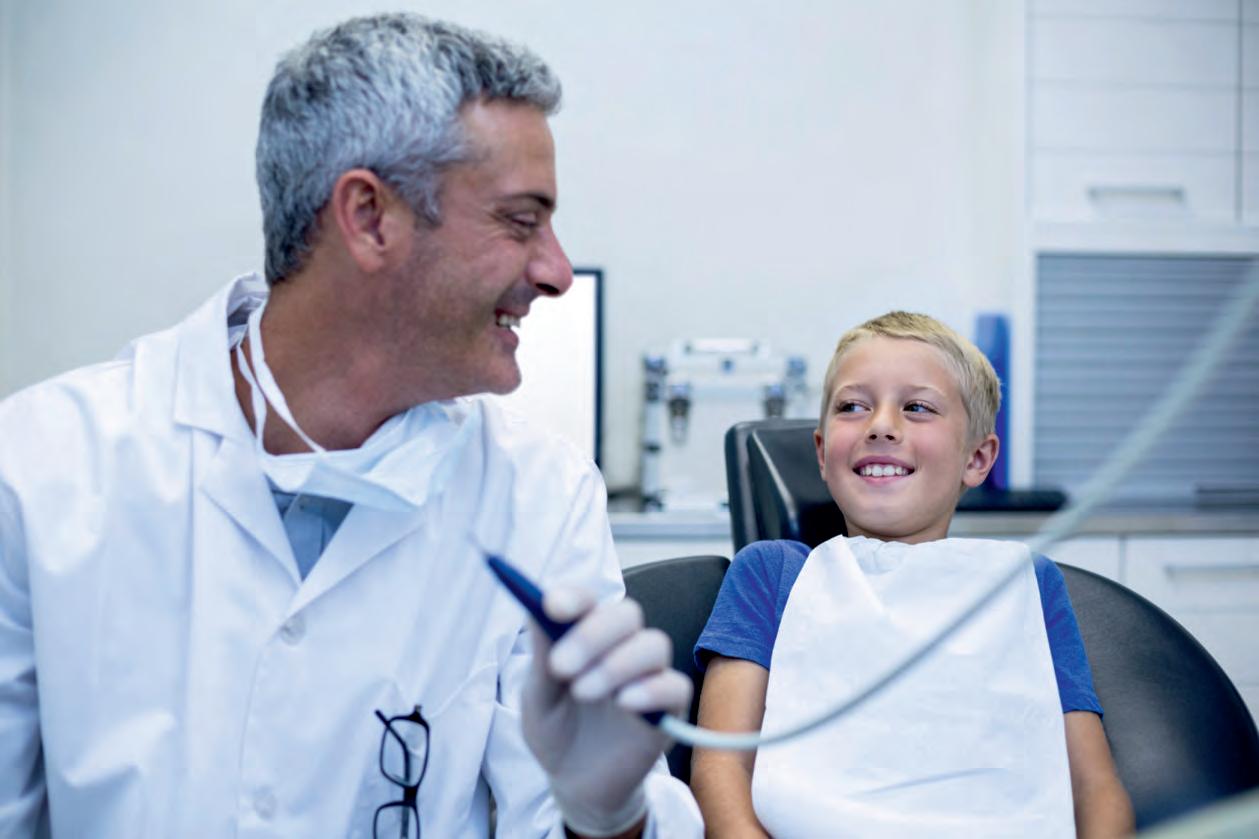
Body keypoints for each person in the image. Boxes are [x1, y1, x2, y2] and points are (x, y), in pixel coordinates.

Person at [0, 14, 703, 838]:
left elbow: (571, 822)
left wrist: (605, 811)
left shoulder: (540, 493)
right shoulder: (41, 467)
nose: (555, 271)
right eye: (520, 221)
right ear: (369, 217)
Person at [690, 312, 1134, 837]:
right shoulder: (772, 574)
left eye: (917, 407)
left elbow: (1094, 787)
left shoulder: (1025, 585)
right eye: (852, 406)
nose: (880, 425)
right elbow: (720, 769)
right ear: (822, 453)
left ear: (978, 458)